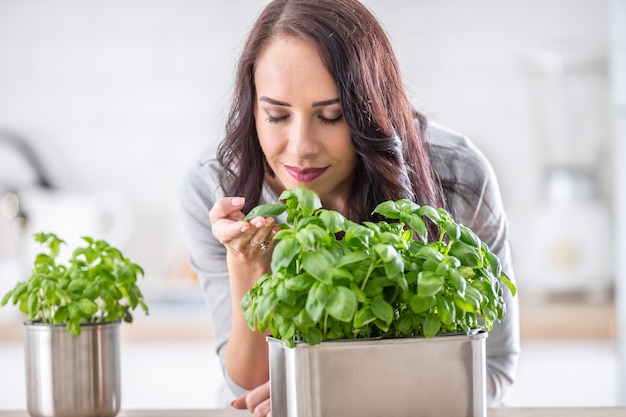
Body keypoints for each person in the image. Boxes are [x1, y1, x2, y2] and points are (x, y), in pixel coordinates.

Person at [179, 0, 520, 415]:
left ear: (371, 111)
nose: (301, 147)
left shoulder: (458, 174)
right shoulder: (211, 187)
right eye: (276, 115)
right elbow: (248, 386)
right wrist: (247, 263)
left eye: (332, 116)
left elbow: (494, 369)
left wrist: (347, 395)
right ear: (251, 107)